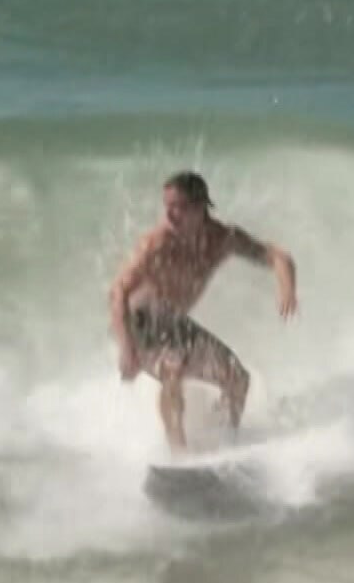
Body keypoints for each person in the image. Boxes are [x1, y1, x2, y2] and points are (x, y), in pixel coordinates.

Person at [108, 171, 298, 454]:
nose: (169, 215)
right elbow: (118, 293)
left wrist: (287, 289)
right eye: (167, 207)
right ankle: (178, 452)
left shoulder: (223, 239)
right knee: (173, 366)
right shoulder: (157, 243)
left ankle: (221, 440)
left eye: (178, 207)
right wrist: (126, 349)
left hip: (173, 322)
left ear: (200, 208)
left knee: (238, 380)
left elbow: (277, 256)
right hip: (139, 319)